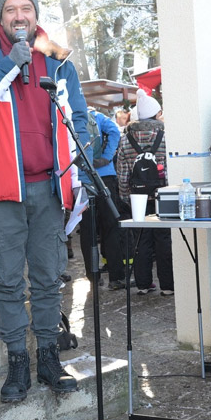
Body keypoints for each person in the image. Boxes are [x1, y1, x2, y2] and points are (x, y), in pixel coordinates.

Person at [0, 0, 87, 403]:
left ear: (35, 15)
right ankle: (17, 362)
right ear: (2, 17)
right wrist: (10, 64)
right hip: (1, 189)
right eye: (10, 9)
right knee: (8, 281)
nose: (19, 16)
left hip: (49, 186)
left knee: (48, 278)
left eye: (25, 8)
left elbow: (78, 119)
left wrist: (77, 169)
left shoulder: (57, 59)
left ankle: (48, 356)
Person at [115, 91, 173, 296]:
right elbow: (170, 169)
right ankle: (168, 286)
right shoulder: (166, 137)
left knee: (140, 240)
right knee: (164, 240)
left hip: (137, 198)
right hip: (162, 196)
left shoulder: (125, 139)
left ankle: (143, 284)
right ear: (156, 114)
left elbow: (122, 174)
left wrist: (126, 197)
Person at [80, 107, 126, 290]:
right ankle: (116, 277)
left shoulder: (68, 117)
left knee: (87, 229)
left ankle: (93, 276)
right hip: (105, 175)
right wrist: (107, 157)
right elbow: (114, 131)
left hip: (82, 178)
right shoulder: (96, 116)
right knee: (111, 226)